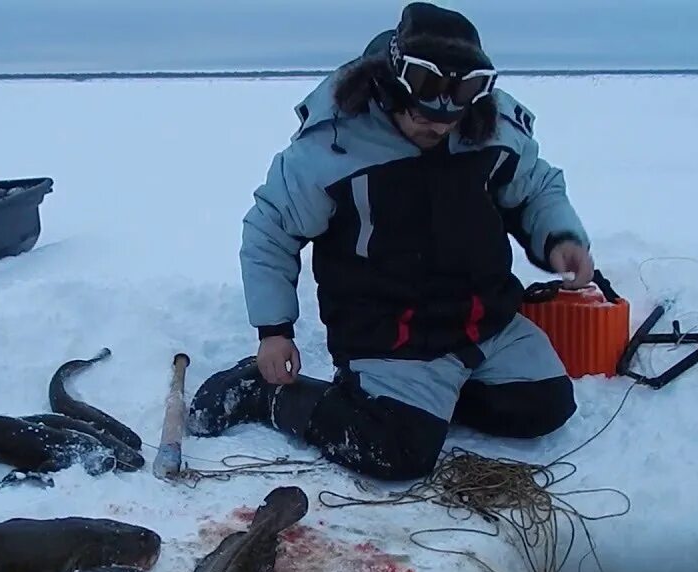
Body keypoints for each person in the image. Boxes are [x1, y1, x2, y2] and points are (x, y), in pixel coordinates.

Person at [187, 1, 595, 482]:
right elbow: (271, 229)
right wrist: (273, 330)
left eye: (449, 119)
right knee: (398, 453)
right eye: (421, 115)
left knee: (544, 407)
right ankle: (268, 395)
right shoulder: (332, 146)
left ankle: (422, 402)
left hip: (485, 323)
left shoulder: (492, 130)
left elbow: (535, 189)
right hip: (391, 333)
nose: (436, 127)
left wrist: (560, 237)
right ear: (391, 86)